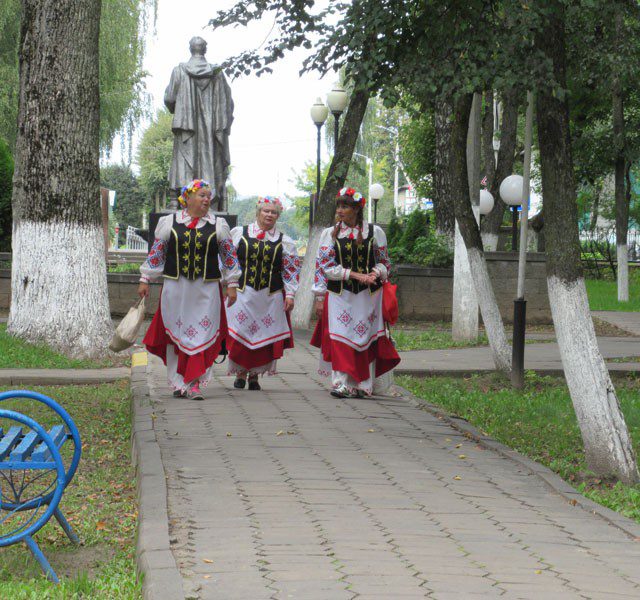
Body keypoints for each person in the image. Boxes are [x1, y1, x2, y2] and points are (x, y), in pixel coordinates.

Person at [137, 179, 241, 400]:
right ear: (188, 198)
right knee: (178, 335)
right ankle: (178, 382)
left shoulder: (218, 225)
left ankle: (194, 383)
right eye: (202, 195)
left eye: (208, 196)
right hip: (176, 288)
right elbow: (157, 254)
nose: (207, 199)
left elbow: (229, 257)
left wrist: (232, 284)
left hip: (206, 290)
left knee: (201, 334)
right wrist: (145, 278)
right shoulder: (169, 222)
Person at [311, 186, 400, 398]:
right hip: (340, 295)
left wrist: (376, 272)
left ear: (357, 209)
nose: (340, 211)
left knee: (365, 337)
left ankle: (363, 385)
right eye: (338, 206)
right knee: (341, 337)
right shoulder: (329, 234)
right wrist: (321, 296)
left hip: (369, 296)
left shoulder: (375, 232)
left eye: (345, 206)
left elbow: (385, 263)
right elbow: (324, 267)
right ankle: (341, 383)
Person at [226, 196, 301, 390]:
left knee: (263, 336)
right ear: (258, 212)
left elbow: (291, 270)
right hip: (243, 293)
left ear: (278, 216)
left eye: (273, 212)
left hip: (270, 296)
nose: (269, 214)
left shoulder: (285, 241)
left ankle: (254, 375)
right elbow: (228, 261)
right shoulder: (239, 233)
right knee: (241, 333)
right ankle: (240, 372)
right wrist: (229, 284)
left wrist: (290, 294)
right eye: (266, 211)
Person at [164, 36, 234, 210]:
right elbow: (228, 103)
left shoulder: (179, 71)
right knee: (211, 159)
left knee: (183, 159)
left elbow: (170, 98)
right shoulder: (217, 74)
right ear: (205, 50)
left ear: (190, 49)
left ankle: (176, 200)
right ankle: (211, 201)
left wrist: (179, 108)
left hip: (186, 127)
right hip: (211, 131)